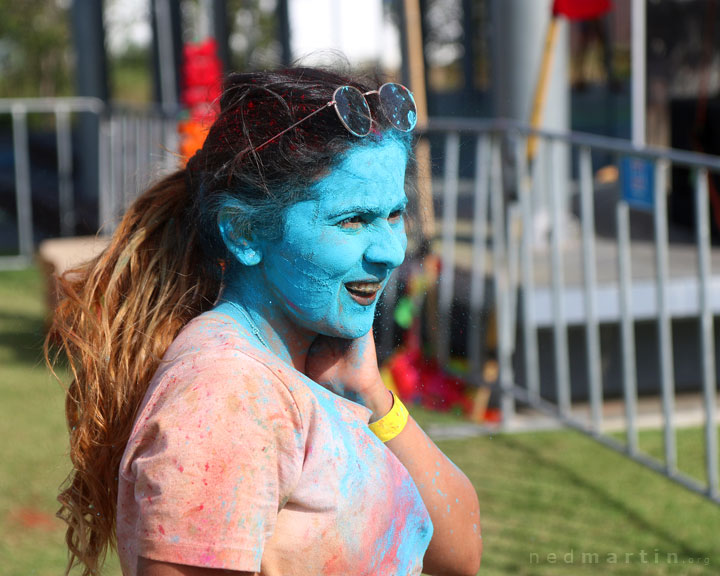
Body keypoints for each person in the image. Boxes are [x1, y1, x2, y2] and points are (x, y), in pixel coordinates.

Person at [47, 67, 482, 576]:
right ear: (244, 232)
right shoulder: (227, 396)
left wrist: (371, 395)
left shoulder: (308, 372)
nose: (389, 252)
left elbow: (460, 555)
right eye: (352, 220)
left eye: (394, 216)